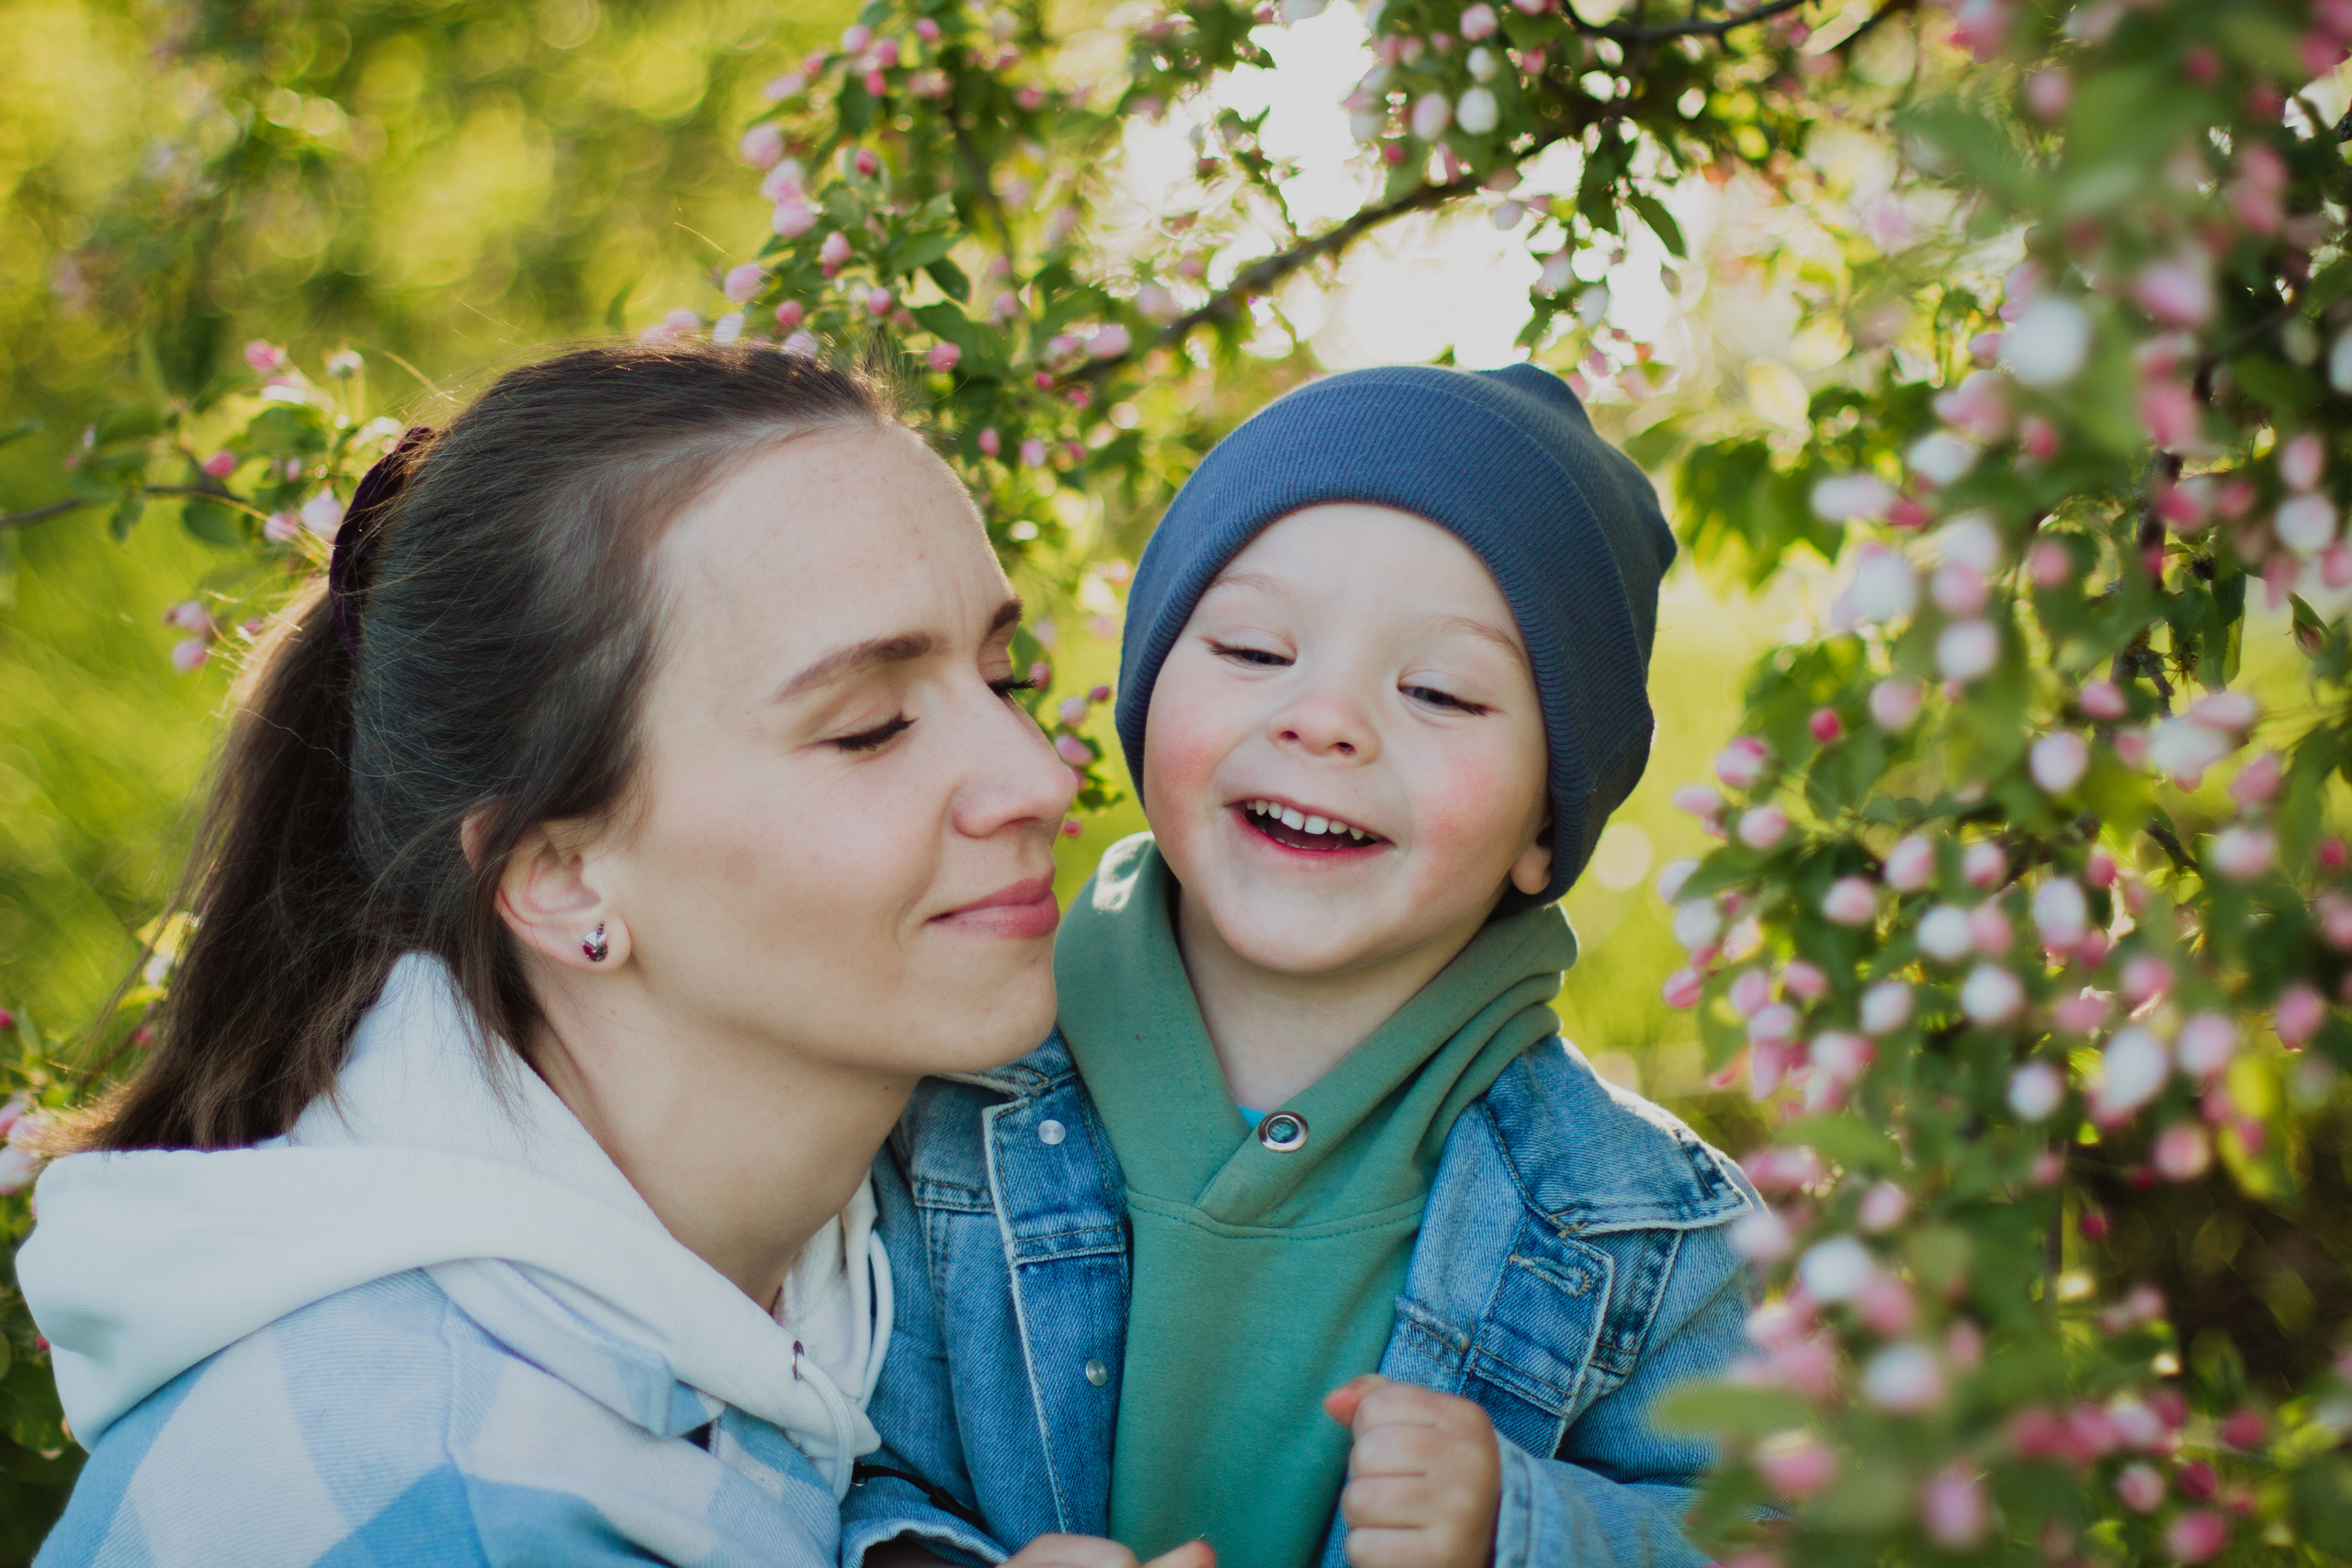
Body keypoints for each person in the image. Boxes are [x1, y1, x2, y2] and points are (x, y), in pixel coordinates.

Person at [16, 342, 1188, 1568]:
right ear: (560, 875)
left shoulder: (819, 1278)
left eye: (1001, 678)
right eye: (869, 729)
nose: (1039, 779)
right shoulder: (454, 1495)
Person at [845, 364, 1760, 1568]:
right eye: (1253, 648)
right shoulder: (925, 1101)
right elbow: (830, 1464)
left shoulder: (1654, 1234)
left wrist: (1523, 1531)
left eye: (1438, 690)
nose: (1326, 718)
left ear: (1549, 824)